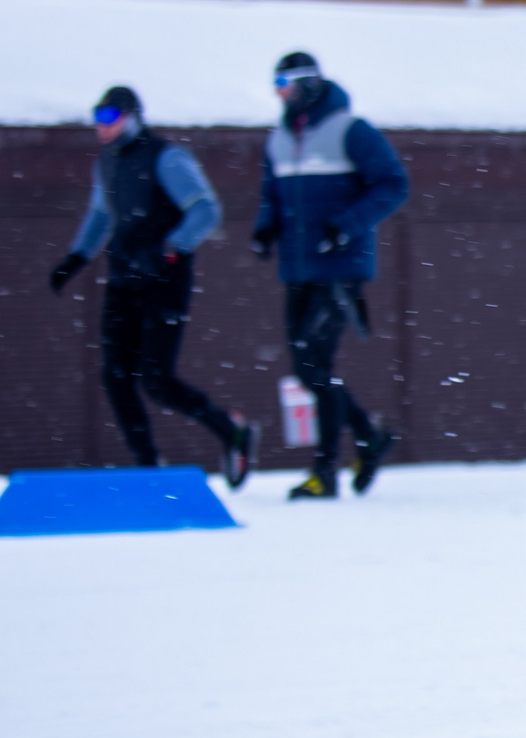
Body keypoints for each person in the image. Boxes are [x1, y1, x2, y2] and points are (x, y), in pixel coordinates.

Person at [48, 86, 258, 486]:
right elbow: (100, 216)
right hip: (123, 280)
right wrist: (75, 258)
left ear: (132, 117)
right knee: (115, 376)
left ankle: (231, 430)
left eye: (109, 118)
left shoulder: (167, 158)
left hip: (164, 280)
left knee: (156, 379)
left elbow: (206, 210)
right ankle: (148, 465)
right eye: (97, 118)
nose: (102, 127)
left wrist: (172, 248)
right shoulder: (107, 164)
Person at [251, 51, 409, 500]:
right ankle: (367, 437)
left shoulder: (350, 130)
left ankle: (326, 472)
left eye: (286, 84)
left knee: (313, 367)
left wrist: (346, 226)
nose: (280, 94)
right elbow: (271, 193)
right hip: (298, 269)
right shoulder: (279, 138)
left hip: (339, 269)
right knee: (309, 371)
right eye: (275, 86)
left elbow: (393, 184)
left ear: (310, 85)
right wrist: (266, 229)